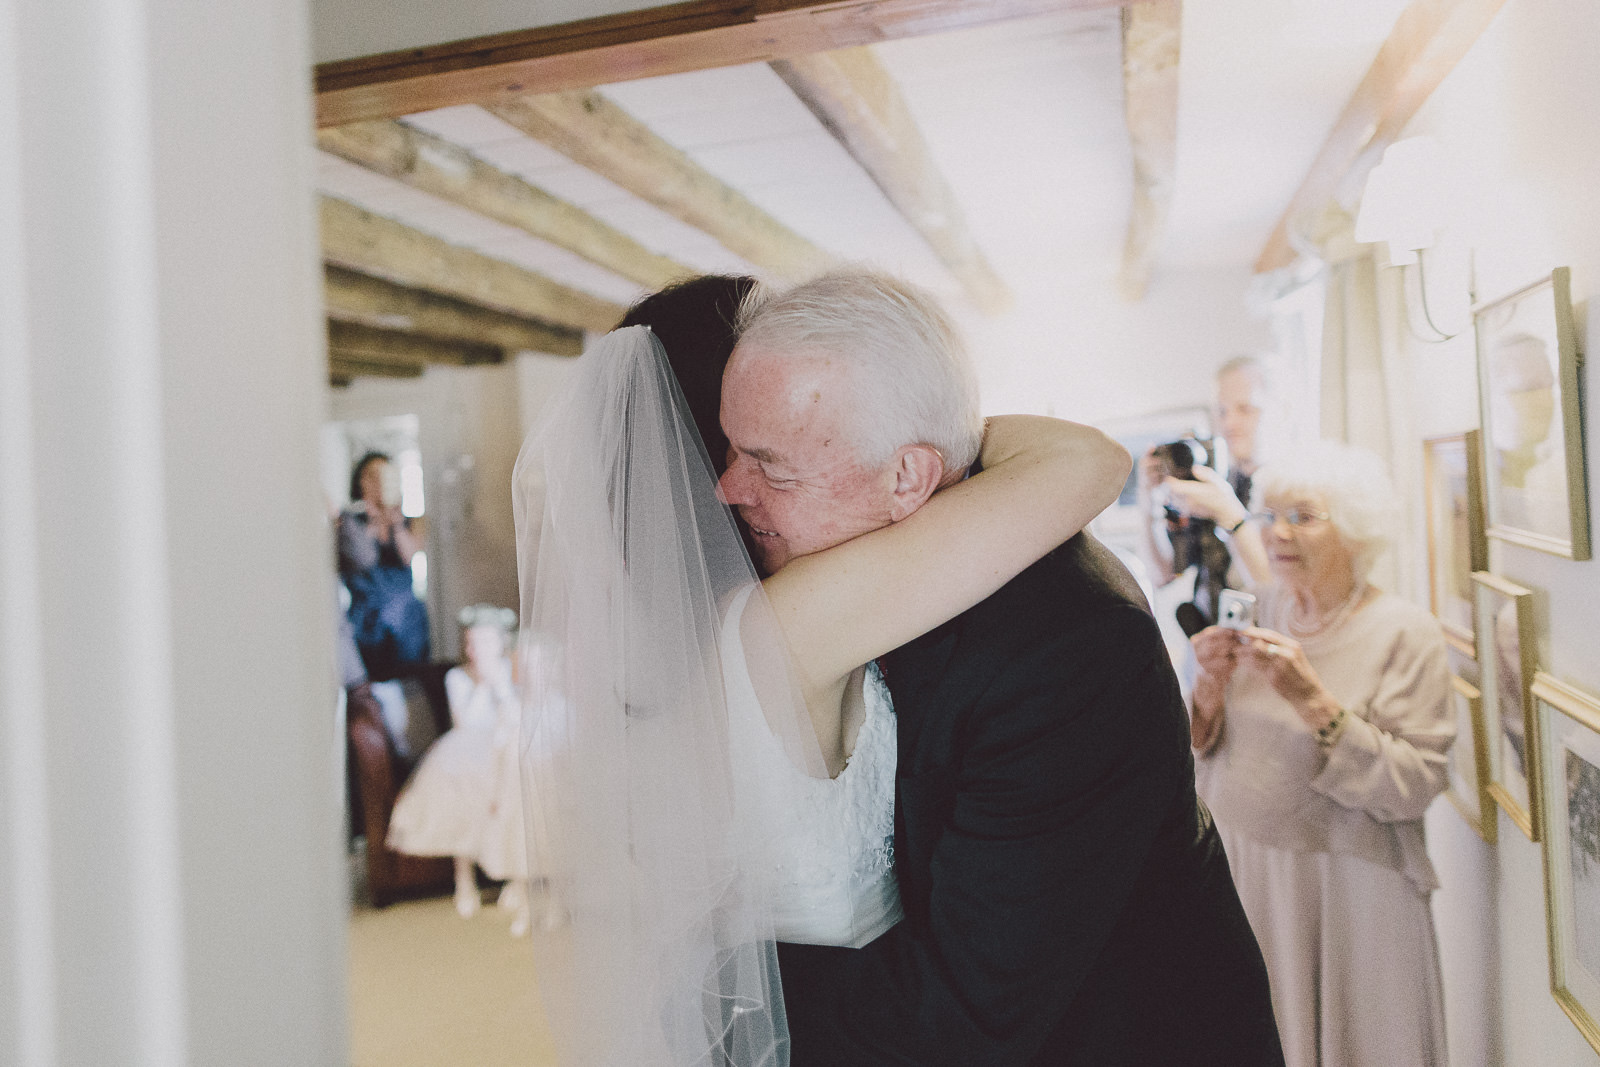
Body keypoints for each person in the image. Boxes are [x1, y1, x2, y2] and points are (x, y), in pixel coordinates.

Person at [517, 269, 1282, 1065]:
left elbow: (970, 1004)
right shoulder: (792, 617)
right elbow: (1083, 458)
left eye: (768, 458)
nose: (728, 488)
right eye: (731, 447)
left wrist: (708, 1005)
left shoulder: (1064, 642)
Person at [1188, 441, 1455, 1067]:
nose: (1277, 533)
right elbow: (1202, 747)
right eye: (1270, 515)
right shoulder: (1259, 608)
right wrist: (1206, 688)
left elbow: (1414, 784)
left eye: (1302, 517)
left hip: (1349, 891)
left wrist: (1311, 699)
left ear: (1356, 531)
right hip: (1246, 877)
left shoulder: (1404, 632)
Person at [387, 604, 530, 933]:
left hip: (503, 745)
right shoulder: (457, 677)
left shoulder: (512, 671)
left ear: (500, 643)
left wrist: (500, 684)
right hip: (466, 747)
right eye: (470, 642)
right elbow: (464, 722)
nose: (475, 650)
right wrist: (483, 684)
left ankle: (514, 877)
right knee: (461, 789)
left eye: (484, 642)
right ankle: (464, 879)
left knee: (511, 789)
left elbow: (517, 715)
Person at [1137, 355, 1276, 628]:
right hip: (1210, 643)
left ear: (1278, 409)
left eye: (1245, 409)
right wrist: (1147, 500)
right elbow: (1161, 575)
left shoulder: (1287, 490)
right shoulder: (1213, 481)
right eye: (1221, 412)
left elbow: (1277, 593)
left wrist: (1228, 513)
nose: (1230, 423)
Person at [337, 451, 430, 680]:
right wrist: (372, 519)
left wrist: (395, 523)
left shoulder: (410, 519)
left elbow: (410, 556)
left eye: (384, 475)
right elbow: (360, 558)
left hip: (406, 619)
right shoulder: (349, 520)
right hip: (365, 619)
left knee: (411, 680)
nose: (379, 482)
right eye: (372, 475)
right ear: (361, 480)